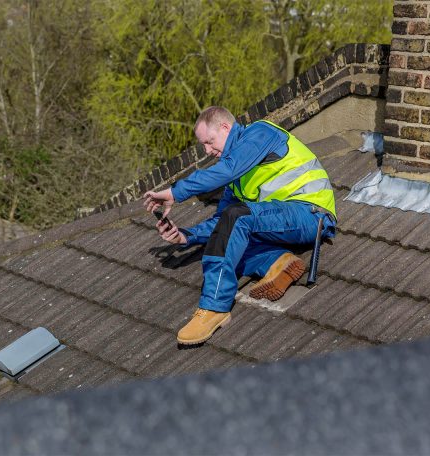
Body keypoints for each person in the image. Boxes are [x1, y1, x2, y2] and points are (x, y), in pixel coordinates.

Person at [143, 106, 337, 345]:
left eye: (209, 142)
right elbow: (222, 222)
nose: (208, 151)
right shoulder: (236, 179)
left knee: (237, 217)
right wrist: (187, 236)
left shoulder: (260, 133)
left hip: (311, 214)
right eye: (203, 145)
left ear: (225, 127)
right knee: (227, 240)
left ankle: (214, 307)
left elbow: (227, 173)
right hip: (281, 222)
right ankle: (276, 261)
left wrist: (175, 192)